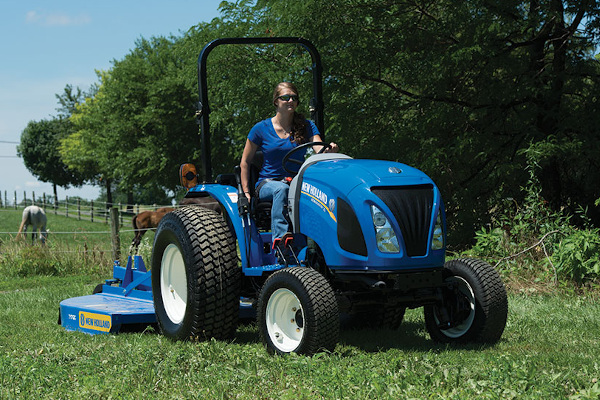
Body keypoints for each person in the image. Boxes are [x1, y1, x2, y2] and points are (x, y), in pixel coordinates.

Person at [240, 82, 338, 257]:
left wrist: (329, 150)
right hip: (268, 184)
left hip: (296, 182)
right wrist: (246, 193)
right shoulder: (260, 129)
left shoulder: (306, 126)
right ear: (276, 102)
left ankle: (318, 250)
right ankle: (281, 241)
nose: (290, 100)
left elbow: (318, 150)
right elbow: (245, 162)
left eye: (294, 97)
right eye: (285, 97)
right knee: (282, 189)